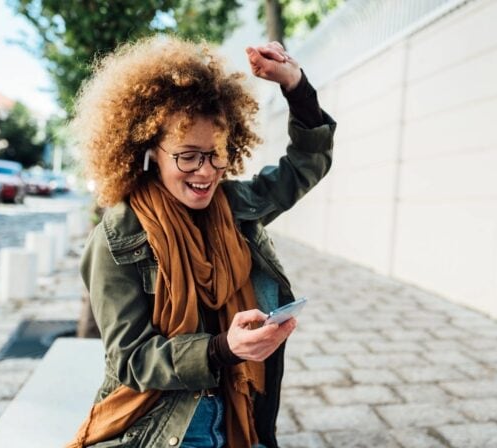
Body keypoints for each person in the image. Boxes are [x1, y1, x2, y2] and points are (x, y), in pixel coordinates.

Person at [67, 35, 336, 448]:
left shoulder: (236, 204)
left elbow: (307, 163)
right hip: (157, 426)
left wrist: (295, 85)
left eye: (215, 154)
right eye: (187, 155)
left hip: (240, 417)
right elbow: (130, 361)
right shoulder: (116, 239)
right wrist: (222, 349)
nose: (206, 172)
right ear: (150, 151)